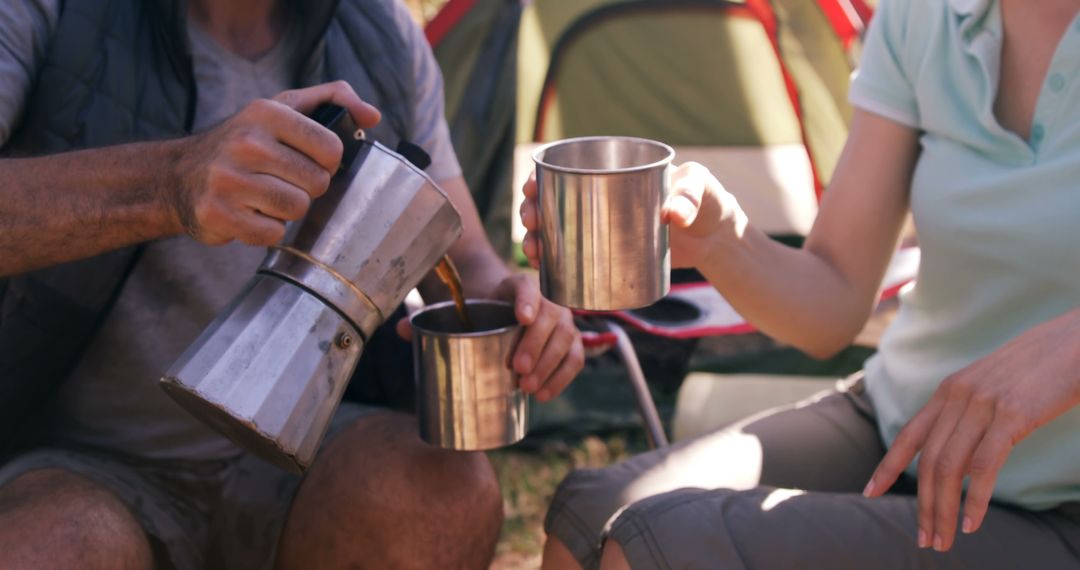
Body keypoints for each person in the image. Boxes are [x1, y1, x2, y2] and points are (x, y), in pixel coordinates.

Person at [0, 0, 583, 568]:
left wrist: (515, 302)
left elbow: (464, 257)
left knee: (444, 494)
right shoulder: (46, 14)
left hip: (306, 457)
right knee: (54, 546)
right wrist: (169, 182)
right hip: (78, 457)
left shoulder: (380, 33)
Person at [518, 0, 1080, 567]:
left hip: (1059, 502)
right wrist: (720, 239)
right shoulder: (927, 15)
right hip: (898, 424)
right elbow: (832, 302)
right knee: (587, 519)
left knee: (660, 548)